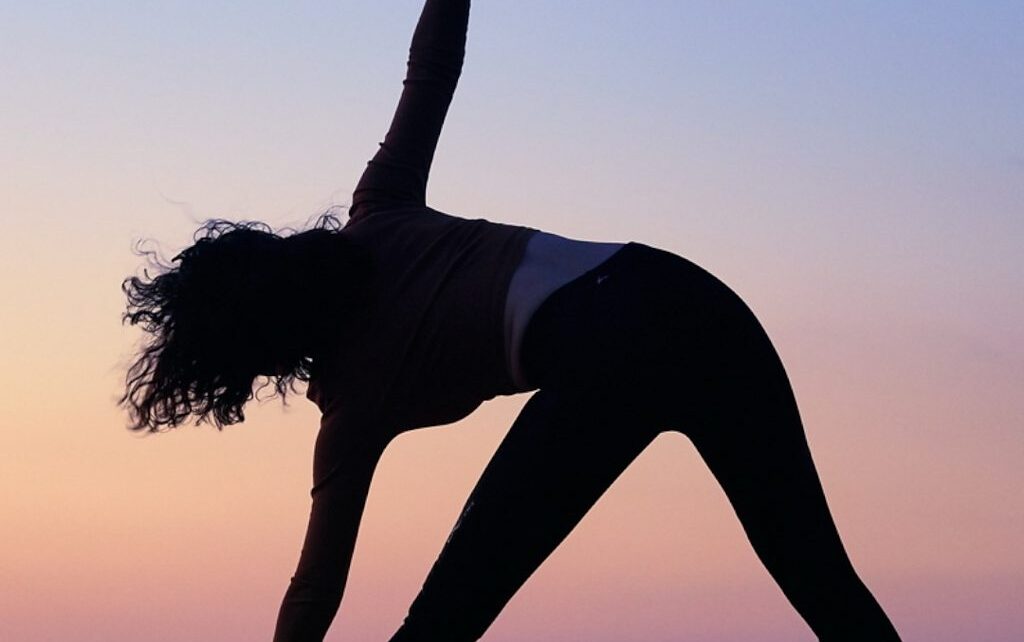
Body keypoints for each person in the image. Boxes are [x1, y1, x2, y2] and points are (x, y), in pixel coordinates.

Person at [121, 1, 902, 640]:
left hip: (610, 349)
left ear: (252, 353)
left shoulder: (352, 404)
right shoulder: (379, 207)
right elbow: (430, 72)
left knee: (439, 626)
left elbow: (315, 587)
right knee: (820, 580)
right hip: (692, 299)